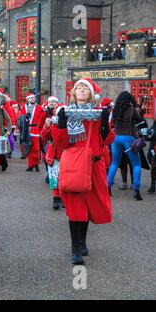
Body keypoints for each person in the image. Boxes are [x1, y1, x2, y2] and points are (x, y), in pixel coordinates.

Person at [52, 78, 115, 265]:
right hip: (74, 165)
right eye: (78, 87)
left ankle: (83, 241)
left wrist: (105, 125)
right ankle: (76, 247)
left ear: (91, 94)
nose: (81, 90)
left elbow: (107, 140)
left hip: (94, 166)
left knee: (88, 206)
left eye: (85, 88)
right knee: (75, 207)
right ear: (74, 93)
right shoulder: (64, 112)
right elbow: (61, 144)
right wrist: (61, 126)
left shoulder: (97, 113)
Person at [107, 91, 144, 200]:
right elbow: (139, 120)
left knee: (114, 163)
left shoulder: (115, 109)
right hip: (128, 137)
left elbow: (112, 121)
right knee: (136, 164)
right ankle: (136, 189)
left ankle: (107, 186)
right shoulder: (132, 109)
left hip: (116, 137)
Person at [19, 93, 44, 172]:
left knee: (36, 148)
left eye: (34, 98)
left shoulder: (39, 108)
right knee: (28, 147)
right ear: (28, 99)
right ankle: (30, 165)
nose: (33, 99)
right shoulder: (24, 107)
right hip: (26, 129)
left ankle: (36, 163)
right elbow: (19, 118)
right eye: (31, 98)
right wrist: (24, 116)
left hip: (35, 129)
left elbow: (42, 119)